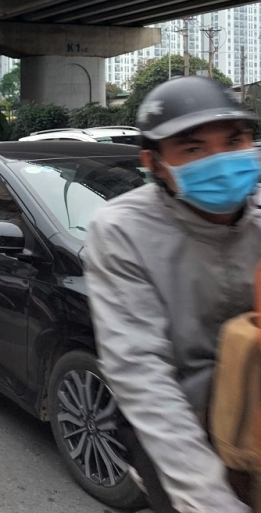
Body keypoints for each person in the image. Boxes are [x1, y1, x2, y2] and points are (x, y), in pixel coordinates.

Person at [84, 75, 260, 513]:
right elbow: (140, 369)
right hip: (180, 422)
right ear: (155, 163)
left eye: (235, 140)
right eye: (194, 148)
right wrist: (205, 496)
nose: (221, 159)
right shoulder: (122, 230)